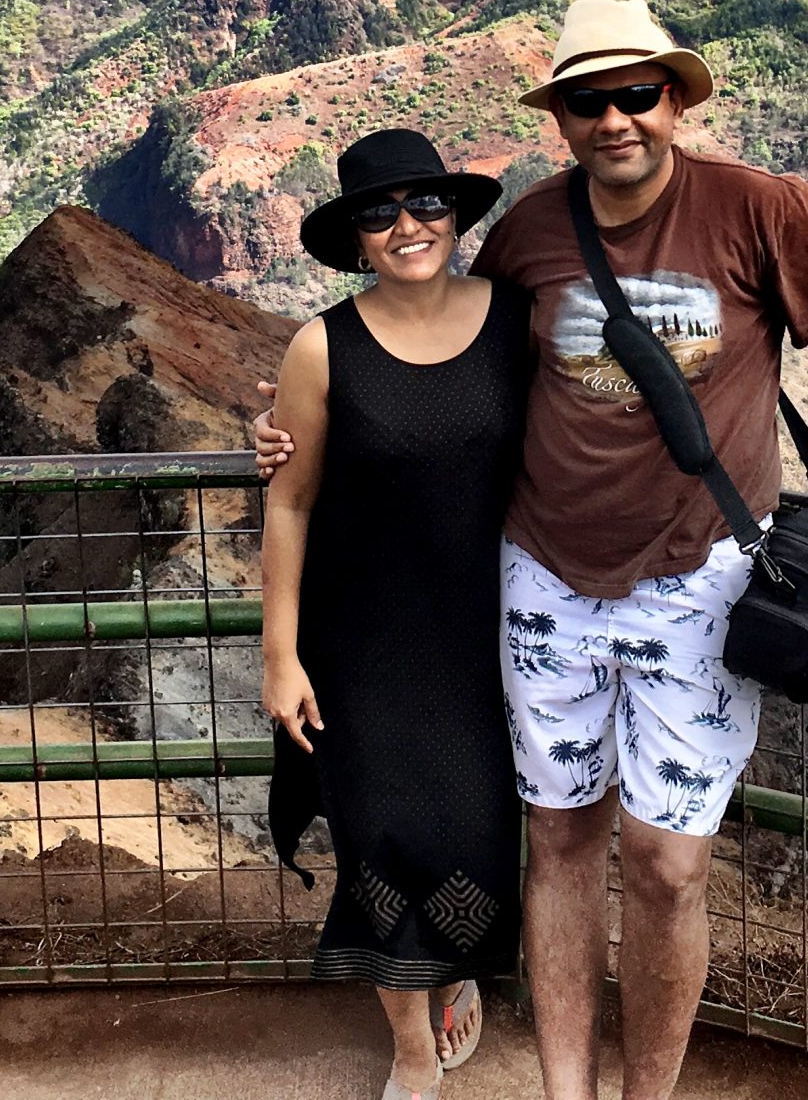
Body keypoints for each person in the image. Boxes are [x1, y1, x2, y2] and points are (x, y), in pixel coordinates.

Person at [259, 0, 808, 1100]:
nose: (613, 117)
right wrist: (280, 424)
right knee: (558, 842)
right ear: (558, 119)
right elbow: (427, 360)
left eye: (635, 93)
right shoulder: (526, 233)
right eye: (585, 99)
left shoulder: (763, 210)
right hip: (544, 584)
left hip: (695, 590)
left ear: (675, 97)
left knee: (666, 865)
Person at [260, 128, 530, 1100]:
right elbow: (287, 501)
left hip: (486, 634)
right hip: (362, 639)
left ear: (454, 214)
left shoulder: (517, 320)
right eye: (378, 213)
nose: (405, 226)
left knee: (471, 830)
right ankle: (411, 1047)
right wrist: (281, 651)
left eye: (422, 204)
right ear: (354, 237)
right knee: (378, 834)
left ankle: (452, 961)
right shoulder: (319, 346)